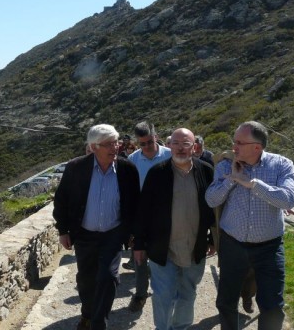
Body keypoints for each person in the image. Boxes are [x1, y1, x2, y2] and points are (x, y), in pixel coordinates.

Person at [205, 121, 294, 330]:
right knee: (226, 302)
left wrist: (252, 184)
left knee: (272, 305)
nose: (234, 147)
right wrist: (232, 180)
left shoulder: (282, 165)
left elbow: (288, 200)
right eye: (234, 141)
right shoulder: (226, 165)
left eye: (239, 142)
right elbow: (211, 199)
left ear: (257, 146)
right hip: (232, 245)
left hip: (269, 248)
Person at [53, 124, 140, 330]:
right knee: (86, 280)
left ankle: (98, 323)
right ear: (93, 147)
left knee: (108, 277)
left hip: (113, 234)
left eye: (116, 142)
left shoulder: (127, 169)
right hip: (84, 234)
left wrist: (133, 233)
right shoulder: (76, 167)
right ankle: (88, 314)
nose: (115, 147)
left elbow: (135, 204)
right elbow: (62, 200)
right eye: (108, 144)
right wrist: (63, 230)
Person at [133, 128, 216, 330]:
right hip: (163, 248)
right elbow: (143, 211)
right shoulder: (157, 173)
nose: (180, 148)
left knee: (188, 293)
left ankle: (181, 327)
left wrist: (213, 240)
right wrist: (139, 244)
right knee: (163, 295)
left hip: (195, 247)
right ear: (169, 146)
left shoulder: (206, 171)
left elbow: (214, 209)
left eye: (185, 143)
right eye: (176, 143)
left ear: (194, 147)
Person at [123, 121, 172, 312]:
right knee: (139, 257)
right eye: (142, 144)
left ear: (156, 137)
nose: (146, 147)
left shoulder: (170, 155)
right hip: (142, 216)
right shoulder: (133, 160)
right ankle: (141, 294)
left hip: (167, 214)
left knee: (167, 255)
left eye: (149, 142)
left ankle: (167, 292)